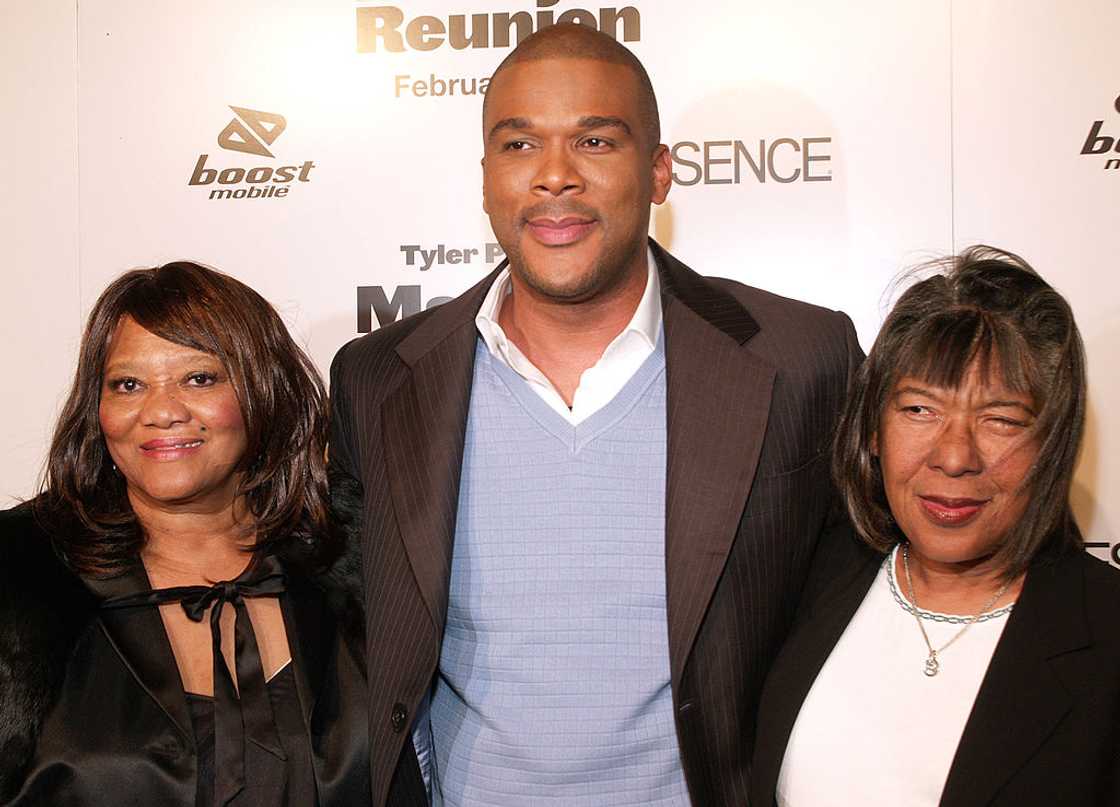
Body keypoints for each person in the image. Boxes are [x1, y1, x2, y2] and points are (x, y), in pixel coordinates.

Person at [329, 22, 862, 806]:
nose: (554, 178)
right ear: (483, 178)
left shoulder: (803, 358)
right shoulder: (378, 378)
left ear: (658, 172)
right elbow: (350, 628)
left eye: (596, 143)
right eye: (518, 146)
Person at [749, 246, 1120, 806]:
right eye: (919, 410)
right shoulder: (806, 578)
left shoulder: (1107, 635)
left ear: (1052, 443)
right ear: (872, 429)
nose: (953, 456)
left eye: (1000, 419)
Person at [0, 262, 370, 806]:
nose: (161, 411)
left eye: (200, 379)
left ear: (262, 388)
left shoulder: (359, 560)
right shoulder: (19, 575)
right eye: (128, 384)